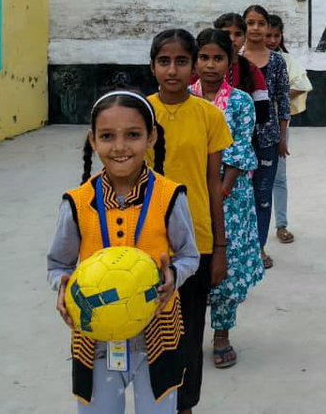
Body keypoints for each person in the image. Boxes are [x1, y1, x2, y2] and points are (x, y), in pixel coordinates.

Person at [46, 91, 199, 413]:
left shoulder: (170, 196)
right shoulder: (76, 202)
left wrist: (173, 274)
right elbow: (58, 263)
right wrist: (62, 286)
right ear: (92, 140)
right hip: (94, 336)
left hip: (158, 333)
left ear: (151, 137)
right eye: (107, 136)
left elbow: (189, 255)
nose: (119, 147)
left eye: (132, 135)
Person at [145, 29, 233, 414]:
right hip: (143, 241)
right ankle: (151, 402)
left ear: (194, 66)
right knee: (146, 332)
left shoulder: (209, 116)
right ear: (152, 66)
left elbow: (213, 184)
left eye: (182, 61)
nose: (173, 70)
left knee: (188, 332)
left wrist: (219, 248)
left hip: (193, 241)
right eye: (164, 61)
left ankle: (184, 406)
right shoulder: (138, 112)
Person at [192, 29, 264, 369]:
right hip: (187, 196)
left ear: (229, 61)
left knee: (225, 266)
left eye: (217, 58)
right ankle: (185, 332)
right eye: (203, 57)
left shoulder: (240, 102)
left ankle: (221, 333)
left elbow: (239, 149)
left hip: (229, 198)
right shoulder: (185, 99)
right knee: (187, 262)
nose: (210, 64)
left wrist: (220, 190)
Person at [239, 5, 291, 270]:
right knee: (238, 195)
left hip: (268, 138)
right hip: (237, 139)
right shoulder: (233, 59)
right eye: (251, 23)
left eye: (261, 23)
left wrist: (282, 137)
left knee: (262, 195)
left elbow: (283, 100)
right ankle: (239, 247)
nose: (256, 28)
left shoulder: (277, 61)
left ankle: (258, 247)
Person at [266, 14, 312, 244]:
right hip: (247, 126)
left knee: (279, 177)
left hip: (278, 124)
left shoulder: (284, 60)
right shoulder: (244, 59)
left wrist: (277, 95)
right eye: (268, 35)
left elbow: (303, 84)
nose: (272, 40)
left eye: (276, 35)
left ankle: (281, 224)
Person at [213, 13, 270, 124]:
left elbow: (262, 112)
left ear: (244, 38)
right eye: (226, 33)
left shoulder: (250, 70)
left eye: (238, 34)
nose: (232, 39)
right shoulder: (201, 67)